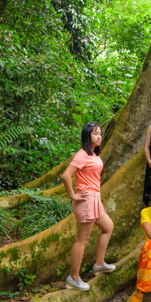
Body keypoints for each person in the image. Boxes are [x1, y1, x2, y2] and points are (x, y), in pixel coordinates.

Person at [61, 122, 115, 291]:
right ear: (87, 136)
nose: (99, 136)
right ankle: (73, 278)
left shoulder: (93, 154)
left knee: (108, 227)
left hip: (94, 199)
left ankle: (99, 264)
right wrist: (73, 195)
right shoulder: (82, 155)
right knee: (81, 240)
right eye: (95, 134)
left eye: (100, 133)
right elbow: (66, 175)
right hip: (85, 200)